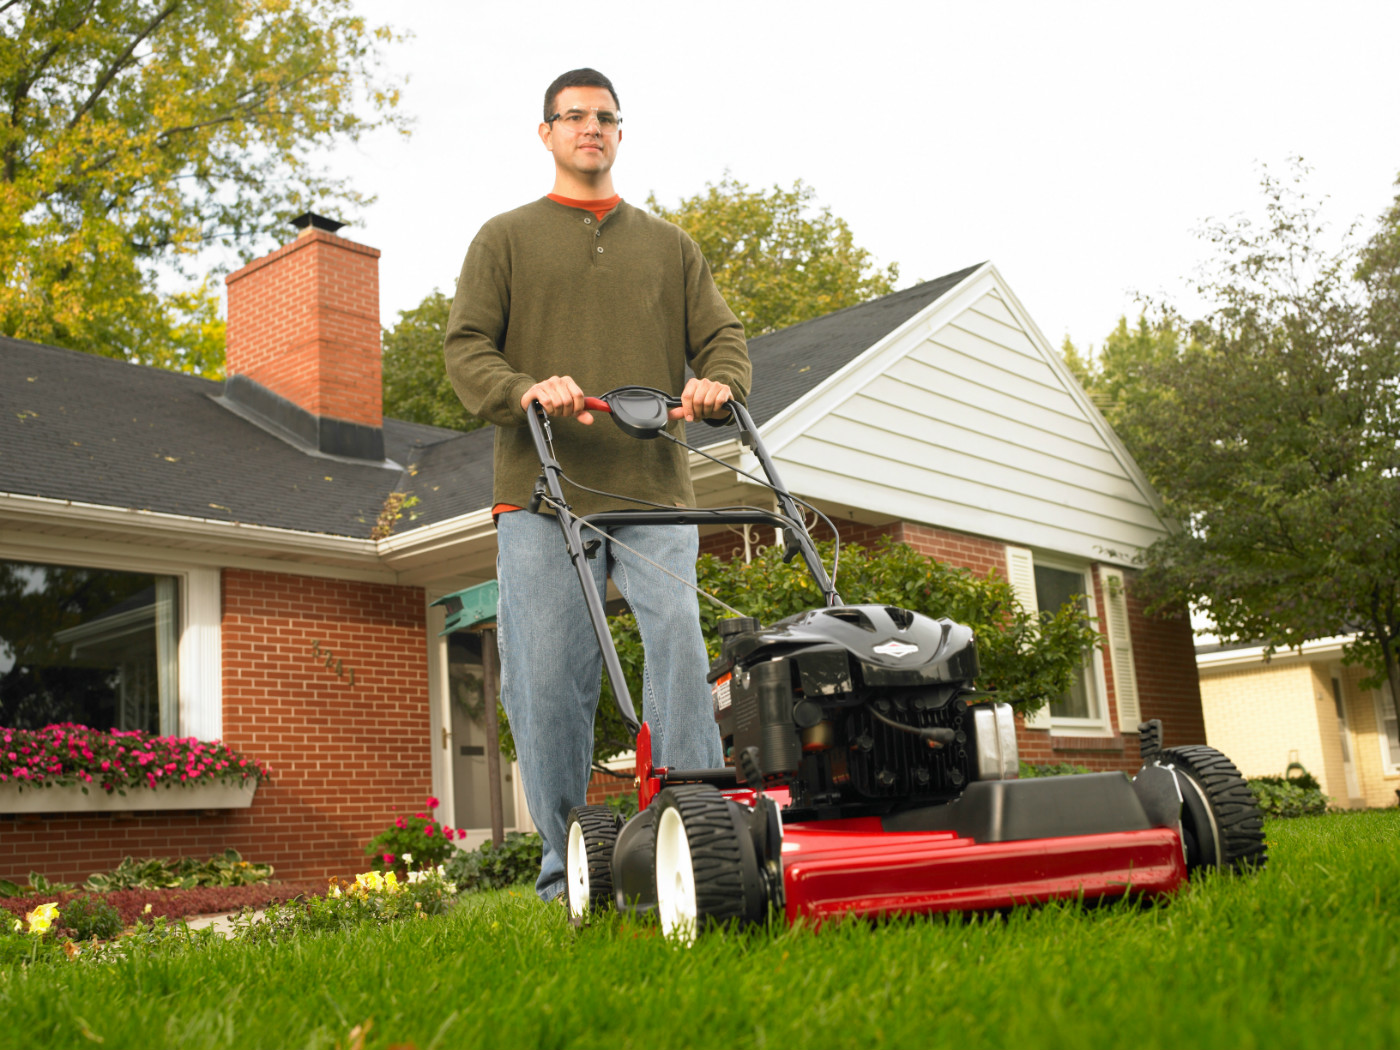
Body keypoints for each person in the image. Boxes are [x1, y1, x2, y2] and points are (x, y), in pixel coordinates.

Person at [443, 68, 751, 903]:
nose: (592, 128)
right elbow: (467, 348)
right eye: (574, 116)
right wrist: (525, 389)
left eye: (605, 117)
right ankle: (566, 869)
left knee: (681, 647)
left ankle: (703, 836)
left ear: (621, 133)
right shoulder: (505, 238)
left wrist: (716, 384)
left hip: (652, 490)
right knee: (547, 679)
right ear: (546, 133)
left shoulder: (669, 245)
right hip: (541, 496)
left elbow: (722, 337)